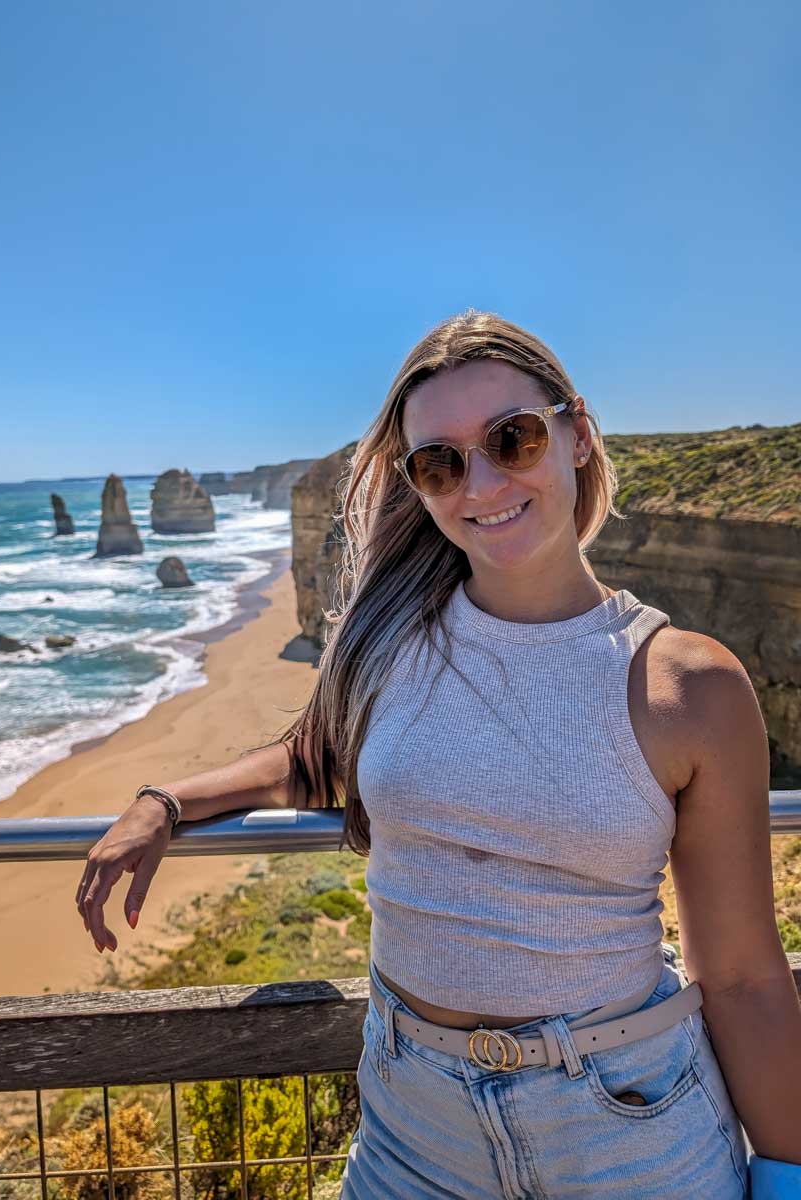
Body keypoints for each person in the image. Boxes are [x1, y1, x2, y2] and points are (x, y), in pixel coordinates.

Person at [74, 311, 801, 1197]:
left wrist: (786, 1176)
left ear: (577, 435)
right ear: (419, 485)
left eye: (514, 438)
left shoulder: (688, 685)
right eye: (441, 462)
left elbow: (742, 976)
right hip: (412, 1121)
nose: (481, 481)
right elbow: (317, 756)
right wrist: (169, 803)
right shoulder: (391, 644)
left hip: (627, 1124)